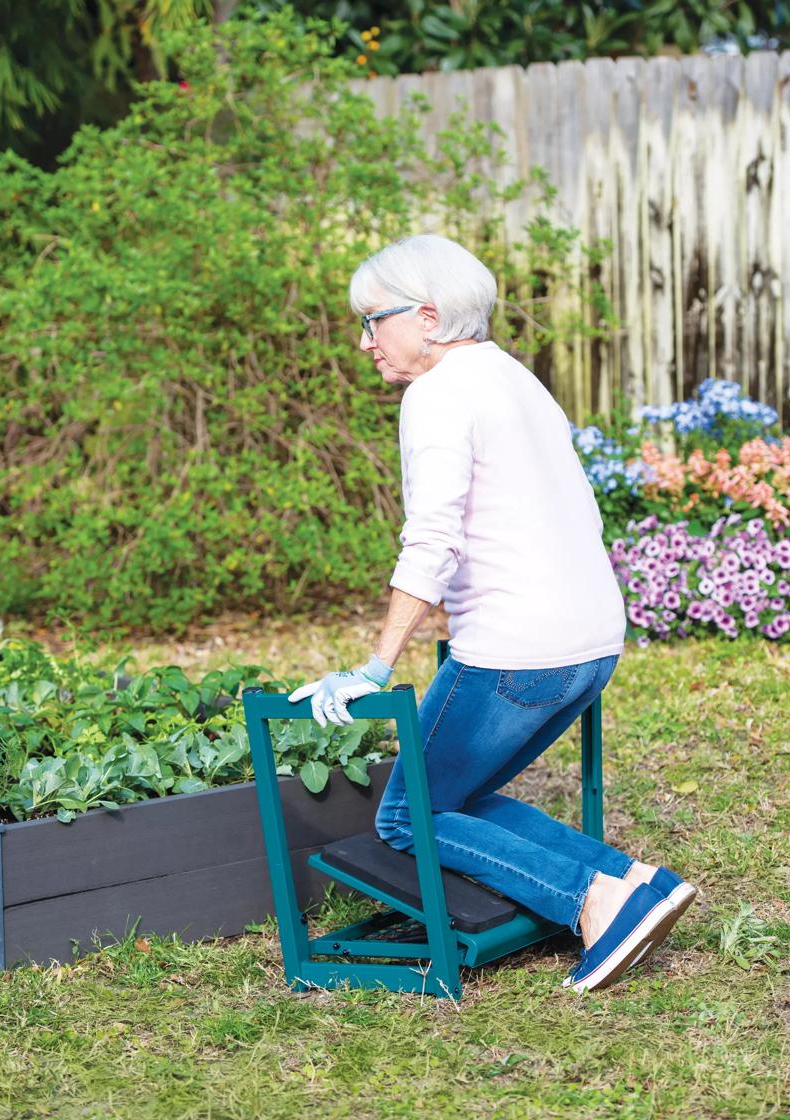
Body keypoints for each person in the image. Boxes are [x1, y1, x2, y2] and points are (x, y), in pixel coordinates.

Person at [288, 234, 696, 993]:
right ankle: (635, 879)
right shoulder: (515, 378)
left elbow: (431, 541)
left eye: (373, 320)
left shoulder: (436, 393)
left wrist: (373, 666)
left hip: (518, 652)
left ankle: (595, 903)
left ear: (430, 317)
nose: (364, 340)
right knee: (457, 798)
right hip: (592, 642)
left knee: (408, 818)